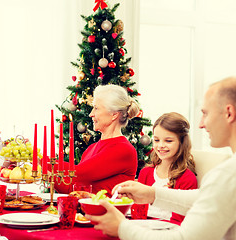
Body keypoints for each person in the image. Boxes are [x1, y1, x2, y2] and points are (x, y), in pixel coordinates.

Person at [86, 76, 236, 240]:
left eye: (205, 113)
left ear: (229, 113)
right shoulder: (228, 173)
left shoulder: (228, 174)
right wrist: (151, 193)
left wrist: (122, 228)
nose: (201, 124)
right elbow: (205, 198)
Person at [55, 84, 140, 196]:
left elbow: (78, 173)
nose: (91, 114)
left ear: (114, 114)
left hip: (107, 213)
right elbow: (72, 187)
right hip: (86, 212)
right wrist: (41, 169)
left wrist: (43, 162)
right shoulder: (91, 148)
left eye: (96, 108)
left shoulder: (123, 149)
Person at [137, 112, 197, 225]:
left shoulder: (187, 178)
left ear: (182, 142)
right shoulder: (145, 173)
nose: (160, 145)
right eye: (156, 140)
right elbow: (138, 211)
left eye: (168, 141)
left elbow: (179, 222)